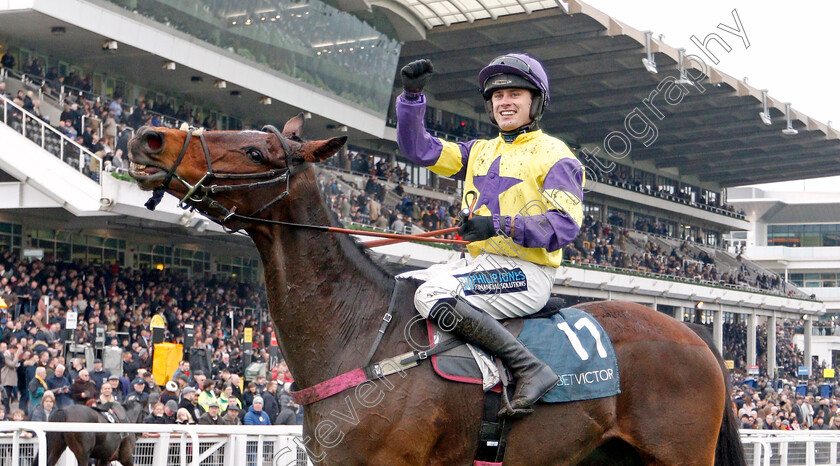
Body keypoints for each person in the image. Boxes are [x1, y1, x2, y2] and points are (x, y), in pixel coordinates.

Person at [395, 54, 584, 416]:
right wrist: (412, 97)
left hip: (526, 273)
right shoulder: (476, 151)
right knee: (402, 285)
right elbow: (417, 148)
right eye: (498, 96)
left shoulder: (556, 155)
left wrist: (497, 224)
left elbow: (563, 225)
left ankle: (529, 369)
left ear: (536, 101)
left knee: (432, 293)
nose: (505, 102)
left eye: (515, 93)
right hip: (479, 265)